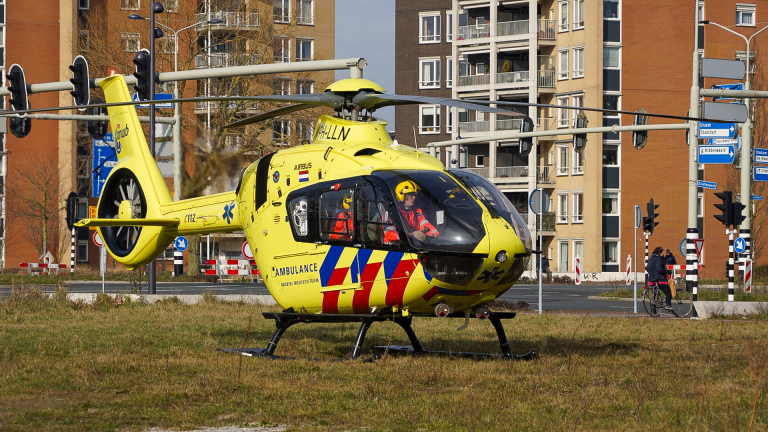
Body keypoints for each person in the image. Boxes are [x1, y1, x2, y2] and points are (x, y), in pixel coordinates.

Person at [383, 180, 439, 245]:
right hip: (393, 249)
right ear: (401, 196)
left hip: (410, 245)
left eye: (414, 195)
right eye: (410, 195)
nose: (414, 197)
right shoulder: (392, 211)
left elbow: (424, 224)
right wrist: (411, 235)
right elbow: (388, 234)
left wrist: (437, 234)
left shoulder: (417, 210)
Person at [646, 246, 673, 311]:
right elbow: (659, 269)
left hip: (651, 279)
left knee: (654, 295)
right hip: (659, 279)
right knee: (668, 292)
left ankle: (653, 311)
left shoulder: (650, 259)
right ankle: (668, 305)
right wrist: (667, 271)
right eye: (662, 253)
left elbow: (647, 268)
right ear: (659, 253)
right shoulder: (658, 259)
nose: (663, 254)